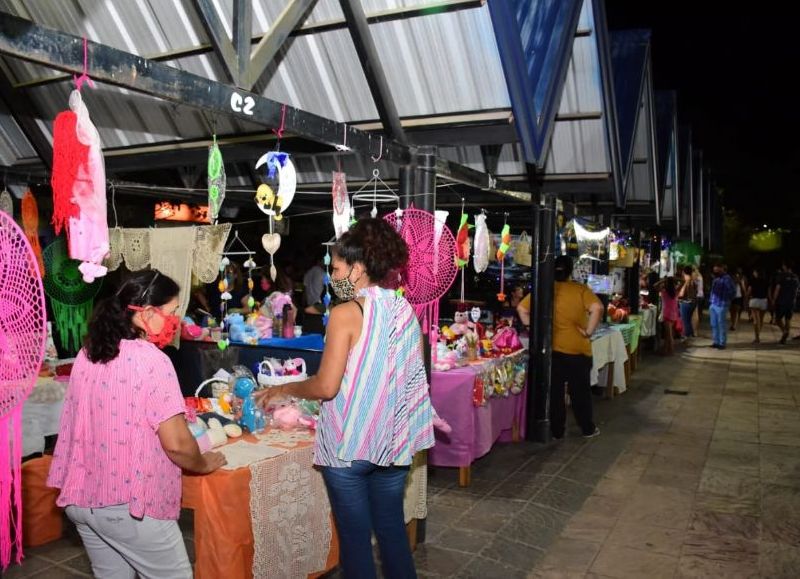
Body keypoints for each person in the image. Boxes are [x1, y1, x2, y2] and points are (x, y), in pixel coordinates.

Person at [255, 219, 434, 579]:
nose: (332, 276)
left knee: (355, 543)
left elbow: (326, 387)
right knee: (392, 534)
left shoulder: (346, 313)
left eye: (336, 268)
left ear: (358, 268)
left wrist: (282, 389)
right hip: (393, 444)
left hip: (347, 448)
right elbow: (407, 382)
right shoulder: (405, 312)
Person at [47, 270, 226, 578]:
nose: (175, 323)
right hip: (126, 506)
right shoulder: (152, 361)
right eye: (170, 313)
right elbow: (178, 445)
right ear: (145, 314)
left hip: (82, 499)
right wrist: (203, 462)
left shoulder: (89, 353)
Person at [550, 255, 603, 440]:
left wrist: (532, 327)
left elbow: (523, 310)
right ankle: (587, 428)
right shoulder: (580, 290)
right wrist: (588, 332)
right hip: (578, 351)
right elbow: (597, 308)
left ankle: (557, 431)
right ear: (570, 270)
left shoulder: (547, 289)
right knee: (580, 392)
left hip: (554, 351)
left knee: (555, 392)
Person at [709, 263, 736, 349]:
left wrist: (726, 300)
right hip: (713, 303)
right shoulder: (716, 279)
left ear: (722, 269)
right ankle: (716, 341)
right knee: (714, 324)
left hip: (721, 304)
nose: (715, 271)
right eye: (714, 270)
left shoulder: (727, 279)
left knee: (721, 324)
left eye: (717, 270)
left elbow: (732, 291)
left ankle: (722, 342)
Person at [772, 260, 799, 344]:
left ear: (785, 266)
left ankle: (784, 331)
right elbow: (797, 290)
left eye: (783, 265)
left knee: (777, 319)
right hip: (791, 302)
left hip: (781, 301)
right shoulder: (796, 277)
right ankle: (785, 337)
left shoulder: (782, 276)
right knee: (788, 319)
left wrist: (773, 299)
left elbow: (777, 289)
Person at [746, 266, 769, 343]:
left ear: (756, 273)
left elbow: (749, 291)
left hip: (754, 300)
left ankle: (757, 337)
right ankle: (758, 334)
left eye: (754, 272)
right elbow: (768, 292)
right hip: (763, 300)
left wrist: (746, 297)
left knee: (756, 320)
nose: (753, 273)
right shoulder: (766, 281)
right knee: (761, 320)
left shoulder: (752, 280)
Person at [659, 276, 679, 355]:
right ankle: (667, 349)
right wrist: (674, 279)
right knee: (669, 334)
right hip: (673, 313)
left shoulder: (664, 292)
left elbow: (654, 286)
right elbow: (683, 281)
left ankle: (671, 350)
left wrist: (663, 280)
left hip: (667, 314)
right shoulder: (675, 291)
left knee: (669, 334)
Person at [677, 266, 698, 339]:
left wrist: (679, 293)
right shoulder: (693, 281)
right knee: (688, 320)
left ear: (683, 272)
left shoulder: (686, 281)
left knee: (685, 321)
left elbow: (681, 294)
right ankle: (690, 335)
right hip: (693, 303)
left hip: (686, 303)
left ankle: (686, 336)